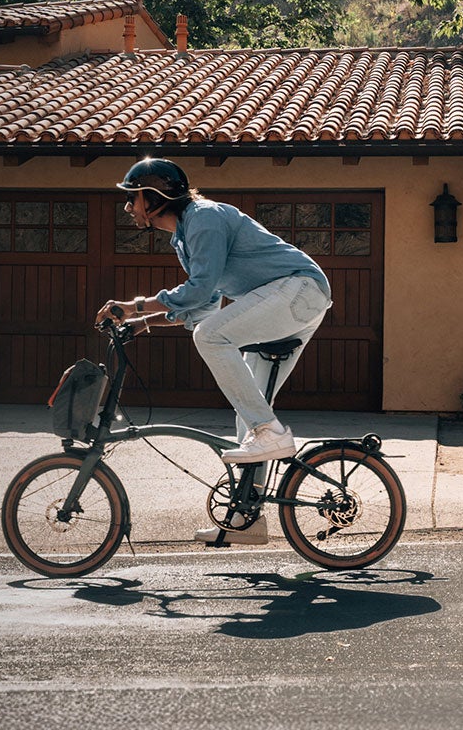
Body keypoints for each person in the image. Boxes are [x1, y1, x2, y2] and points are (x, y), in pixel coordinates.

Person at [93, 158, 333, 544]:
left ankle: (271, 432)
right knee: (248, 420)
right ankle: (248, 520)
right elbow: (203, 305)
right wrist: (145, 322)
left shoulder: (204, 218)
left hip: (298, 291)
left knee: (209, 338)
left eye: (132, 197)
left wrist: (135, 305)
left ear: (155, 198)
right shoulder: (185, 237)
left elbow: (201, 293)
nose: (127, 207)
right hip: (292, 301)